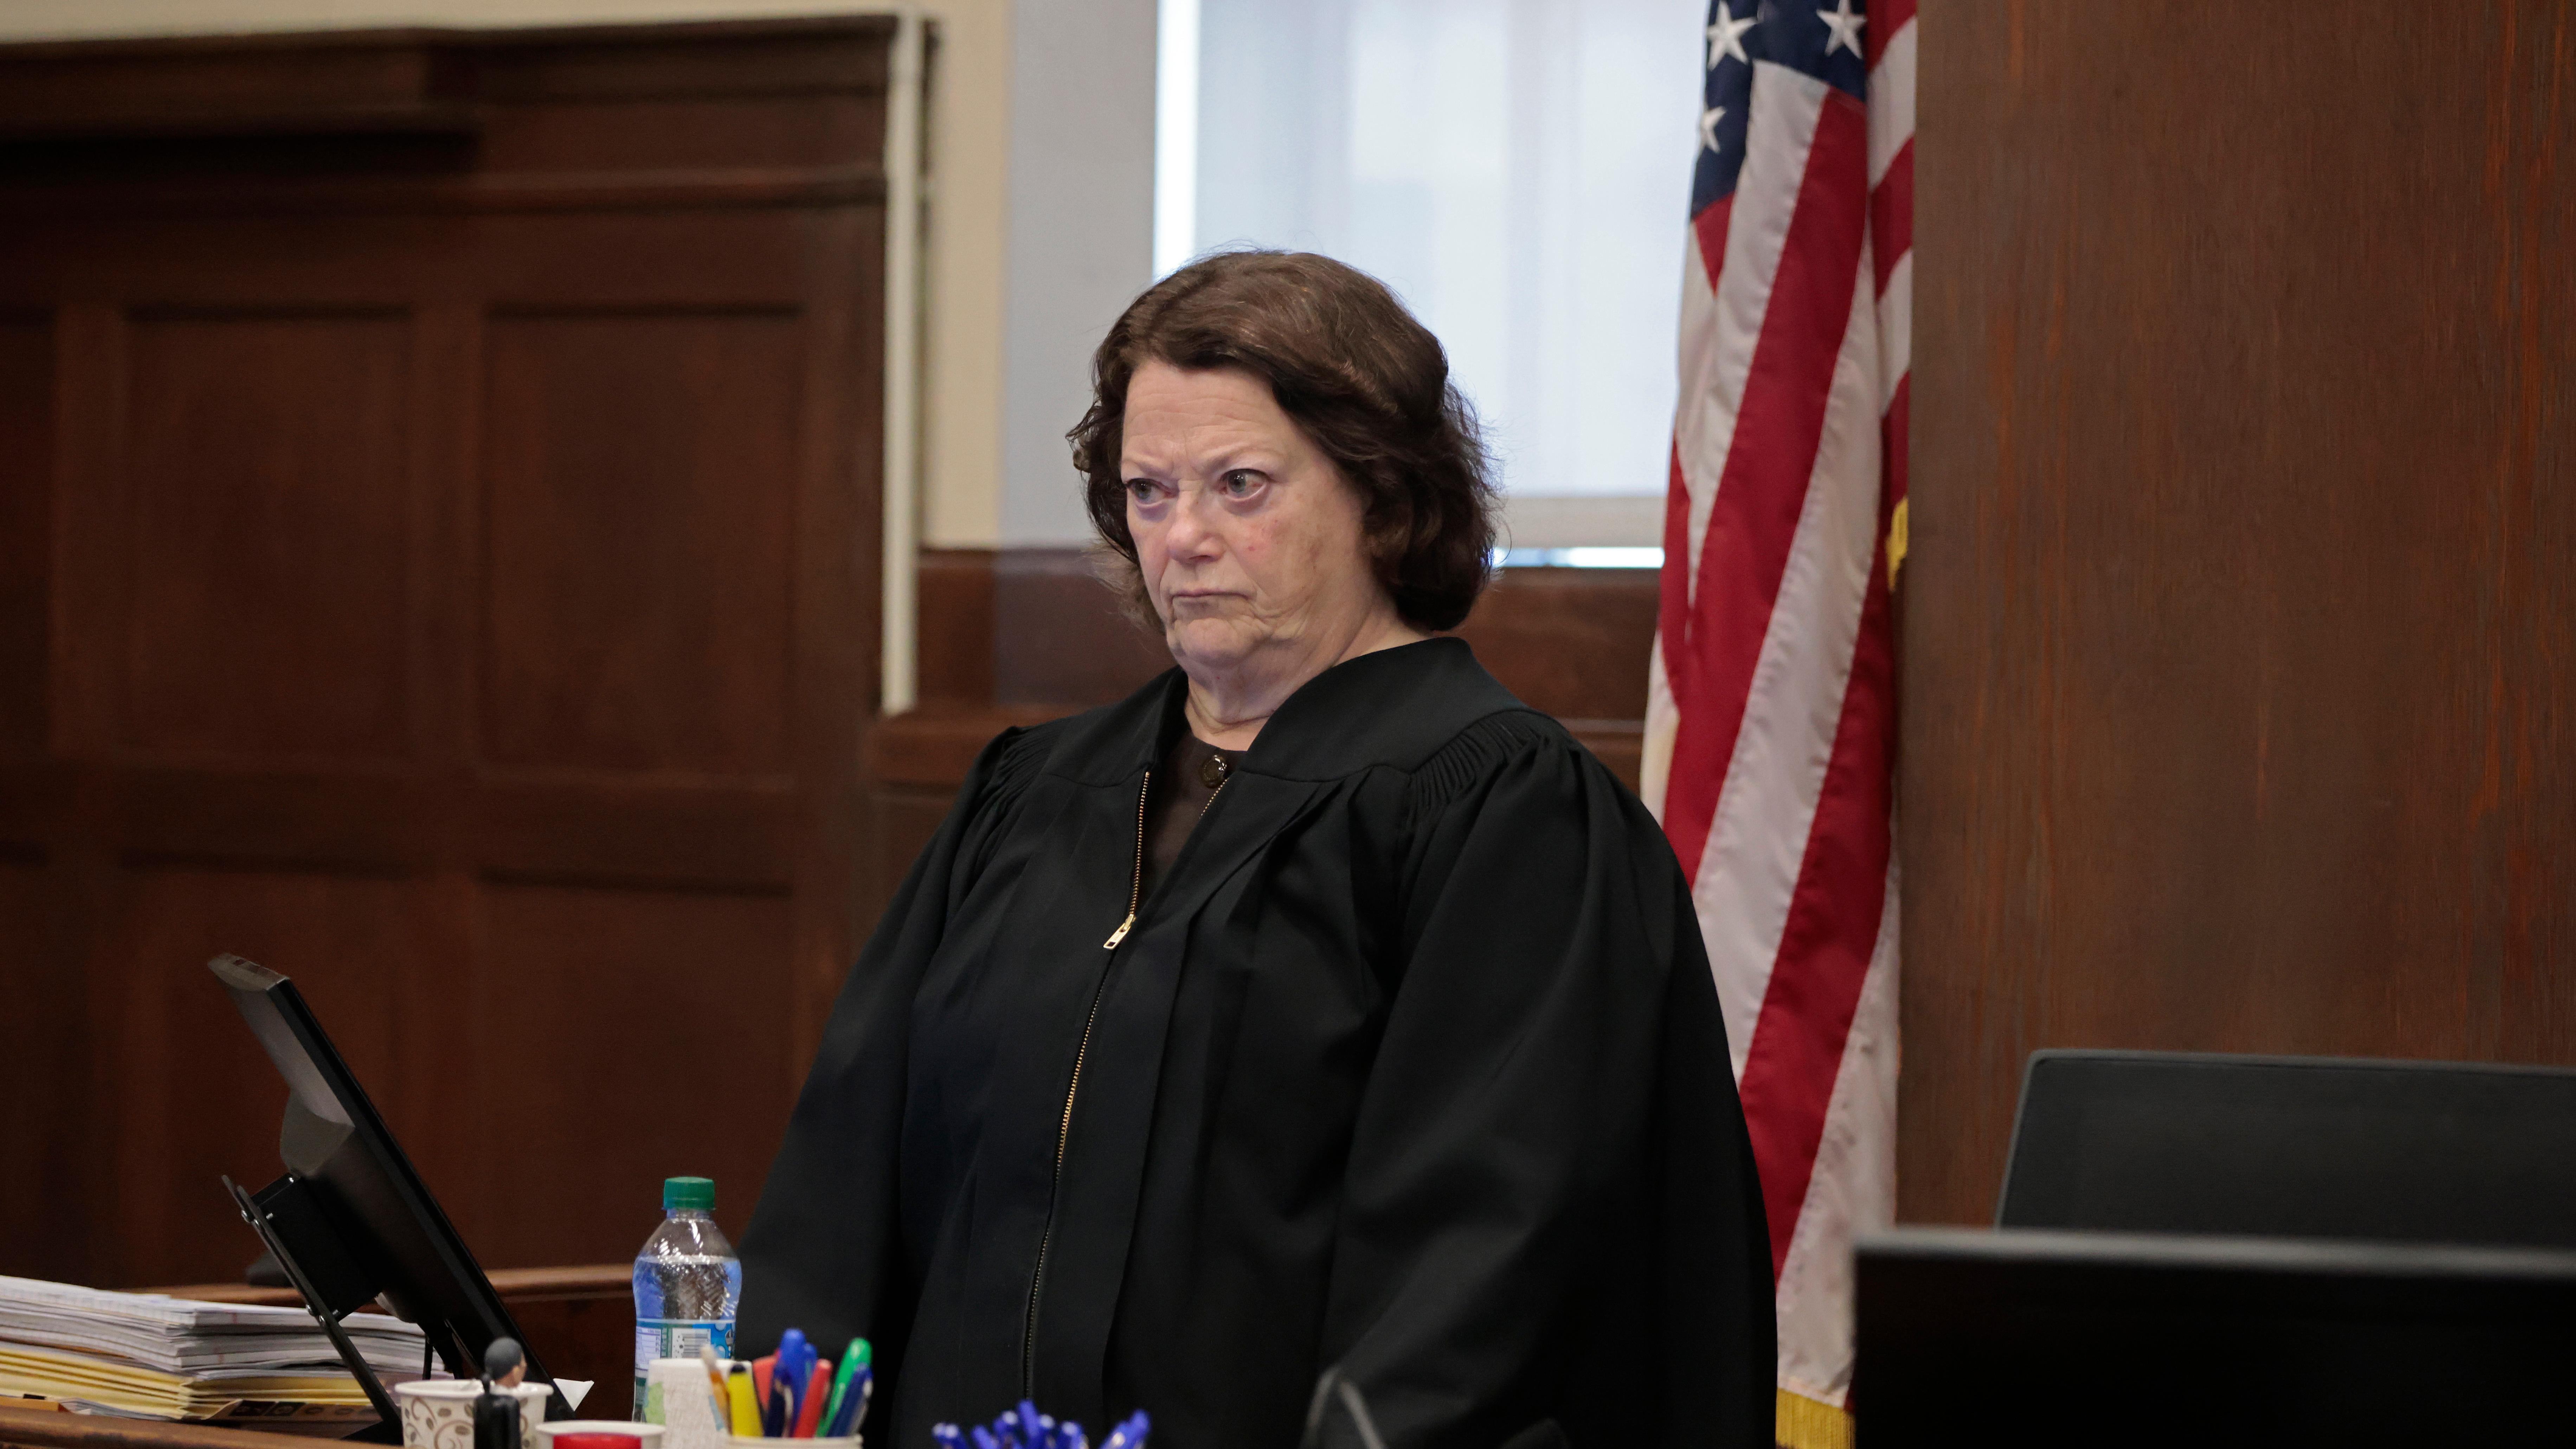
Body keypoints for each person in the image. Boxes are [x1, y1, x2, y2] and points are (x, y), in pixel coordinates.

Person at [739, 251, 1772, 1449]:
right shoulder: (1035, 799)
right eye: (1148, 491)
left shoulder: (1498, 814)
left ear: (1383, 496)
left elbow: (1482, 1270)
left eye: (1240, 485)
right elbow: (840, 1201)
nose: (1183, 538)